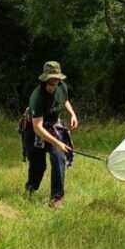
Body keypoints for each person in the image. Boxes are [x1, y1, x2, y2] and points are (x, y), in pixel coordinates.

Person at [21, 60, 79, 208]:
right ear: (45, 78)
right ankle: (30, 189)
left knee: (59, 157)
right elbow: (38, 127)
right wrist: (58, 142)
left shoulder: (62, 87)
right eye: (51, 77)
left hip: (53, 125)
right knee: (38, 163)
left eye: (56, 77)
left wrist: (72, 114)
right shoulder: (37, 96)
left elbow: (64, 100)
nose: (54, 79)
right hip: (34, 128)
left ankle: (56, 198)